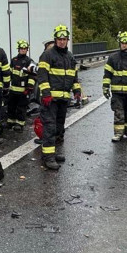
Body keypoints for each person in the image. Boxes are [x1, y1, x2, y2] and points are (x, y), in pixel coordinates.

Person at [36, 25, 81, 171]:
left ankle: (52, 153)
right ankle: (48, 157)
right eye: (59, 39)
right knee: (49, 127)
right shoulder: (48, 55)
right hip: (51, 100)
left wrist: (77, 91)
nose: (62, 41)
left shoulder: (70, 57)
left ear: (67, 40)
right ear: (55, 39)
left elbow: (74, 77)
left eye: (64, 39)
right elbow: (42, 76)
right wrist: (46, 94)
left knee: (59, 128)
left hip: (63, 99)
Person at [102, 31, 127, 142]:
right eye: (122, 43)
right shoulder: (113, 58)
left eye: (126, 43)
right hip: (117, 92)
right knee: (119, 113)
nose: (124, 45)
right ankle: (118, 133)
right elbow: (107, 74)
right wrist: (105, 87)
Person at [7, 39, 35, 129]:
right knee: (11, 106)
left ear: (27, 50)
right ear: (18, 49)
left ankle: (20, 123)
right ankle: (10, 121)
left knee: (21, 107)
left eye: (25, 48)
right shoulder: (13, 60)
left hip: (24, 90)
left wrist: (30, 87)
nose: (23, 50)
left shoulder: (29, 61)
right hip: (13, 89)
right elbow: (9, 73)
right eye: (21, 48)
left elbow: (33, 75)